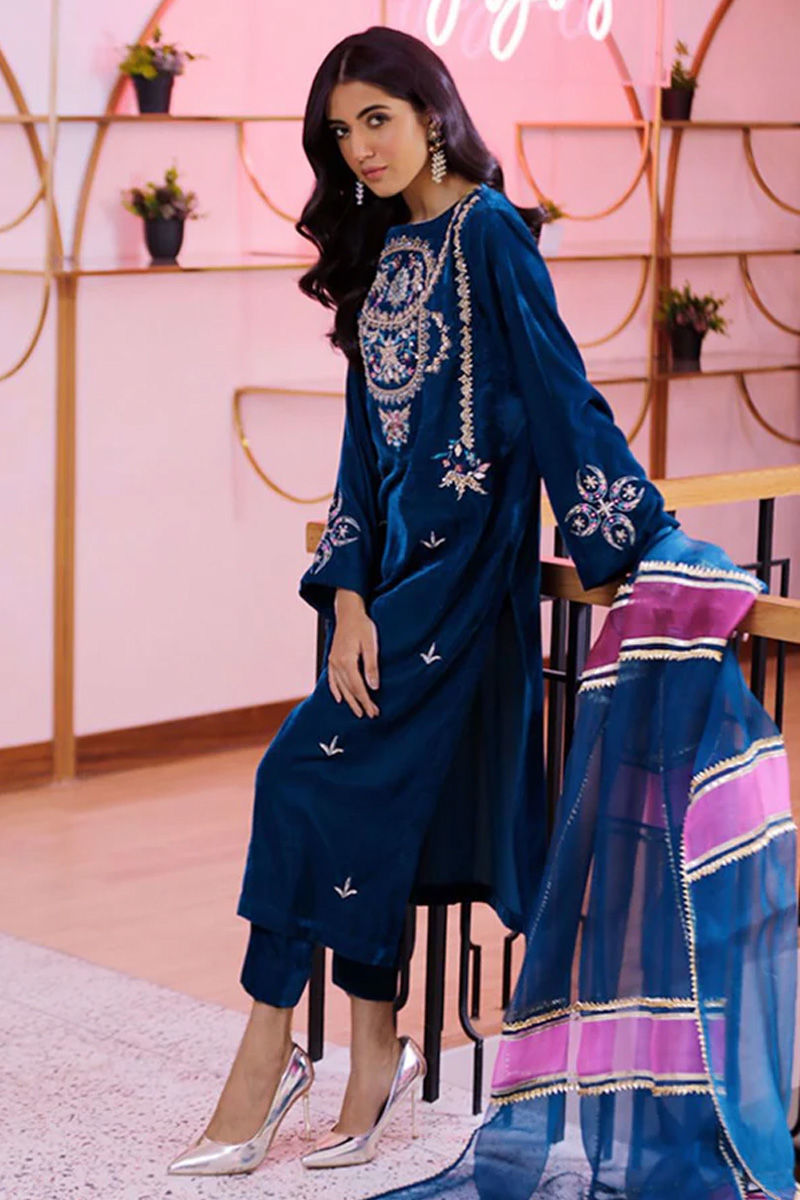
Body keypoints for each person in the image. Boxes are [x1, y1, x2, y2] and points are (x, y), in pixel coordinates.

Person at [167, 23, 679, 1178]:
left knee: (297, 780)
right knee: (360, 816)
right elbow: (359, 453)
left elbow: (557, 390)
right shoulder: (384, 253)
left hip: (462, 594)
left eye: (377, 119)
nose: (360, 147)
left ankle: (269, 1059)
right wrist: (346, 597)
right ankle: (369, 1055)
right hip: (385, 597)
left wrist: (631, 540)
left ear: (432, 113)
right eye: (341, 132)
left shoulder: (490, 233)